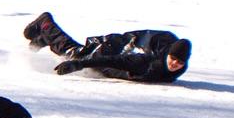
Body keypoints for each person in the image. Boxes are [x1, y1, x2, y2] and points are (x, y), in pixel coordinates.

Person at [24, 12, 191, 83]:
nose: (175, 64)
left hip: (123, 46)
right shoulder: (146, 60)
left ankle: (44, 39)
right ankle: (45, 23)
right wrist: (79, 65)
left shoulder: (174, 66)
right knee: (74, 56)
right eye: (173, 59)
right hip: (113, 49)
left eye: (180, 62)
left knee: (76, 54)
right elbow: (117, 60)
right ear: (167, 54)